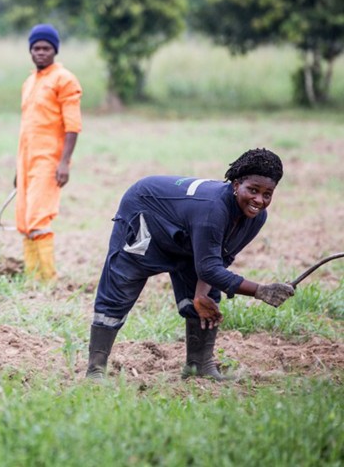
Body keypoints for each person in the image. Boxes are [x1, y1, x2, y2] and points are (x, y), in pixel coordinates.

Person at [86, 148, 296, 381]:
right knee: (121, 285)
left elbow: (219, 259)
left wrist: (200, 294)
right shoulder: (213, 210)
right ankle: (96, 370)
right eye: (253, 190)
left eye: (268, 194)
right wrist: (259, 290)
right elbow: (209, 269)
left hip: (186, 230)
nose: (259, 200)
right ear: (236, 185)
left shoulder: (255, 217)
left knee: (207, 298)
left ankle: (199, 366)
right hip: (146, 212)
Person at [16, 24, 82, 283]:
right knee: (23, 218)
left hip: (49, 159)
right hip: (26, 159)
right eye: (36, 48)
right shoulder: (30, 80)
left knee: (38, 216)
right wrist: (17, 169)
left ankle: (48, 279)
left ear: (55, 50)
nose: (40, 53)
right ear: (30, 51)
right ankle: (31, 277)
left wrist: (64, 162)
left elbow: (73, 125)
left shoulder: (64, 79)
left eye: (46, 48)